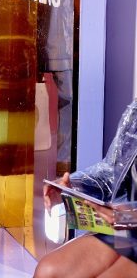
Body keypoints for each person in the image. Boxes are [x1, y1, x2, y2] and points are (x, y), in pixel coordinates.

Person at [35, 100, 137, 277]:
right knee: (48, 271)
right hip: (127, 227)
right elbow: (111, 171)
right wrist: (71, 186)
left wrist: (130, 216)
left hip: (129, 221)